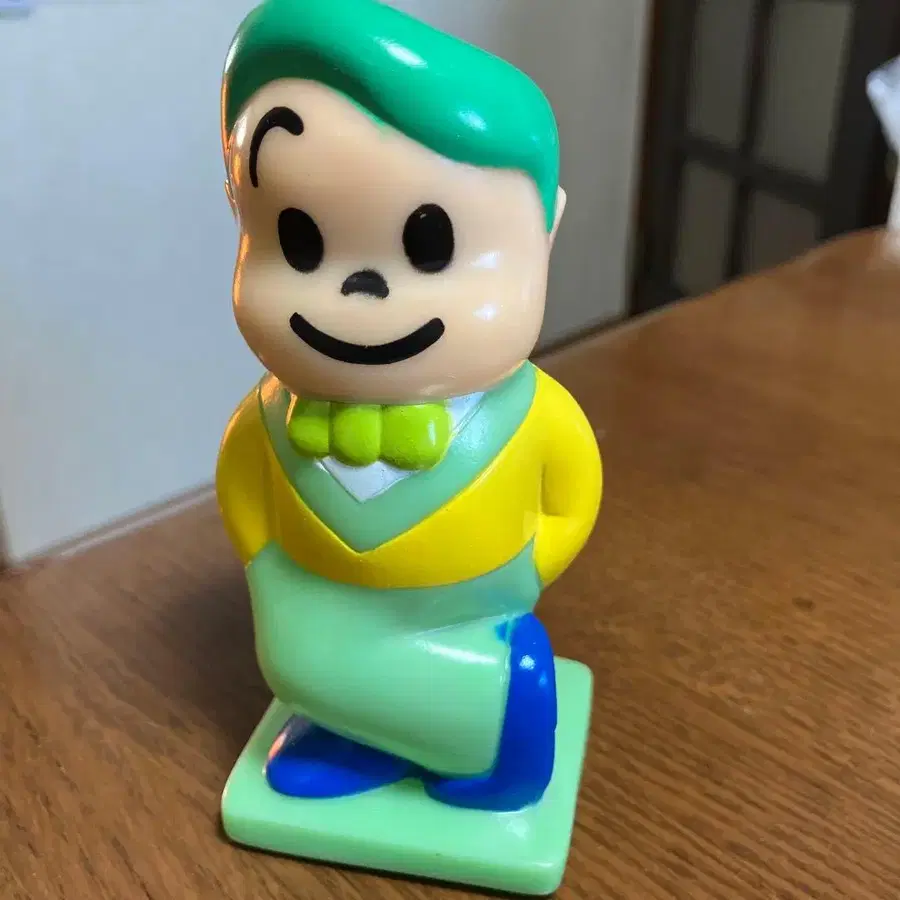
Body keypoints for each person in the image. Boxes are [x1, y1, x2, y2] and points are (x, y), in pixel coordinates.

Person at [216, 0, 602, 813]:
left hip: (468, 605)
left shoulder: (533, 414)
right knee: (294, 658)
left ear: (546, 233)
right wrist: (266, 561)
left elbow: (572, 493)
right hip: (317, 594)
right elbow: (242, 484)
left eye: (430, 247)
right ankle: (359, 728)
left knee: (306, 656)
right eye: (301, 244)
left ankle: (499, 706)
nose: (360, 292)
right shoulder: (272, 417)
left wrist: (520, 572)